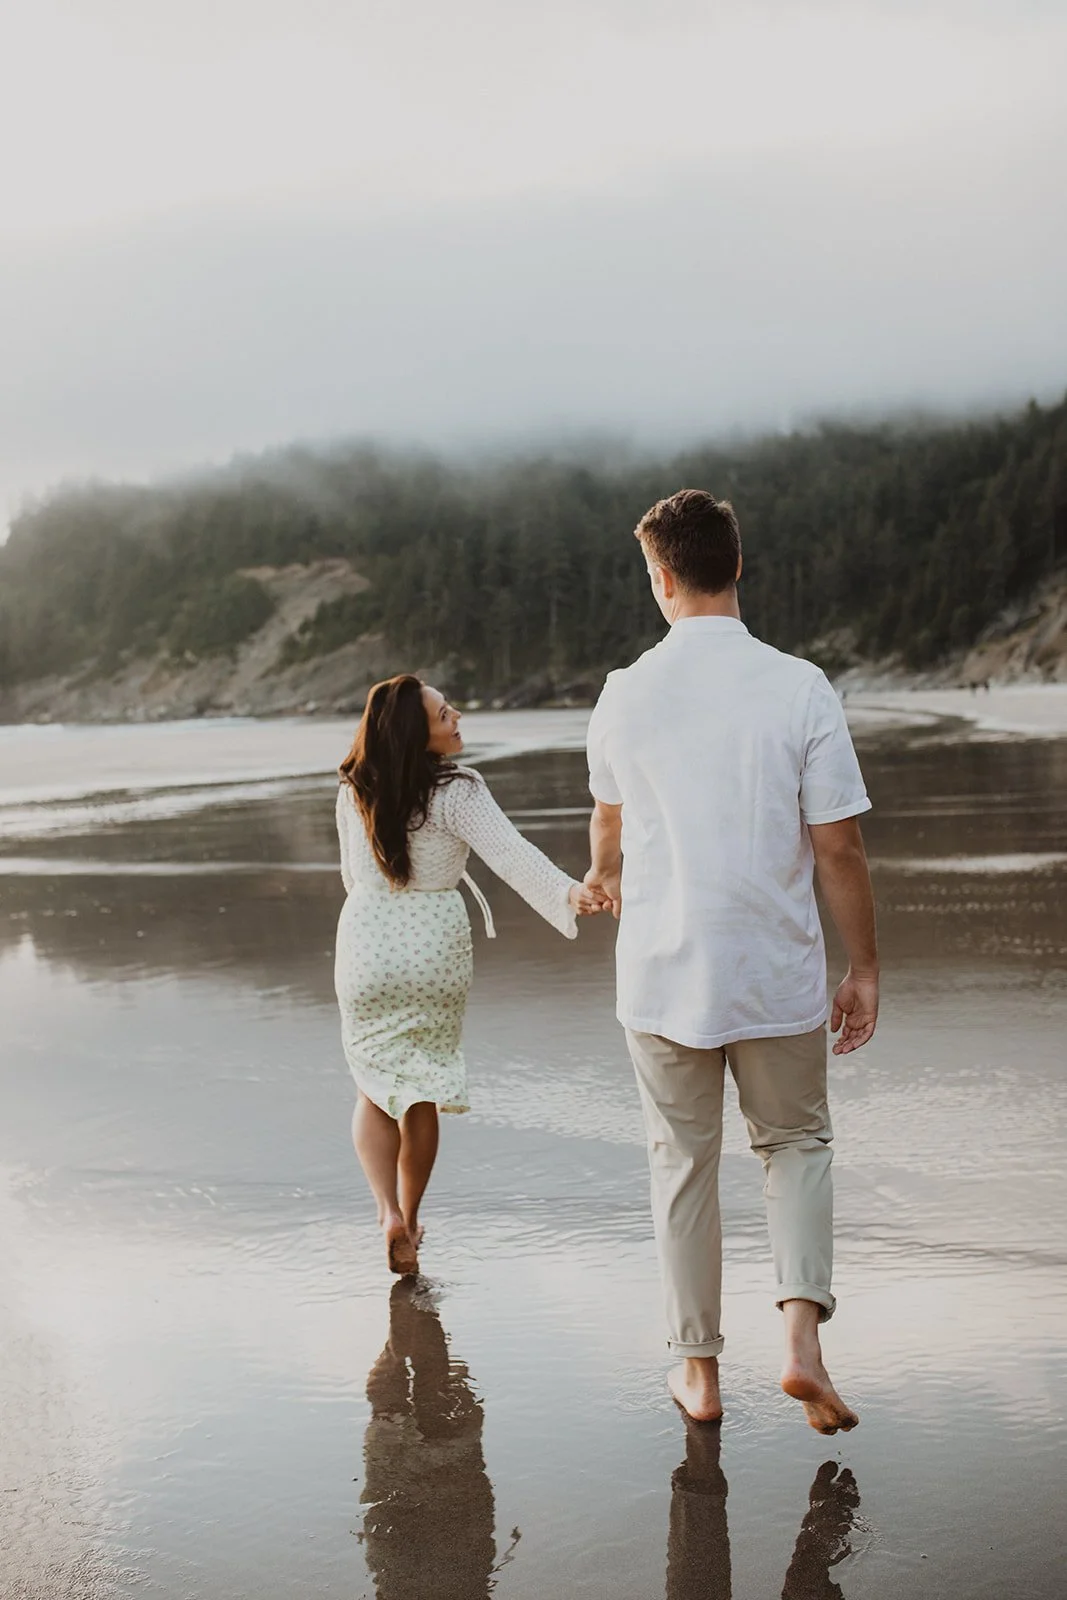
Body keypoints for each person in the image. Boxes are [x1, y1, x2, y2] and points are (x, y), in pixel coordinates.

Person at [584, 490, 878, 1436]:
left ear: (660, 578)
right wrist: (862, 967)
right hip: (773, 970)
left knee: (682, 1165)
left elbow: (610, 817)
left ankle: (699, 1372)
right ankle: (801, 1340)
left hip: (664, 975)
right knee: (794, 1146)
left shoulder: (625, 690)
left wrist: (599, 872)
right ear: (737, 567)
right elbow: (838, 847)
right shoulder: (799, 685)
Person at [335, 674, 604, 1275]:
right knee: (423, 1086)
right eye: (444, 714)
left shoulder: (355, 786)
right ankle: (411, 1210)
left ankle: (387, 1215)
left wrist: (377, 917)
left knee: (372, 1087)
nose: (457, 719)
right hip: (433, 946)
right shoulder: (458, 790)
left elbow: (354, 876)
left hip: (366, 940)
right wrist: (569, 894)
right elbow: (510, 855)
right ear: (416, 730)